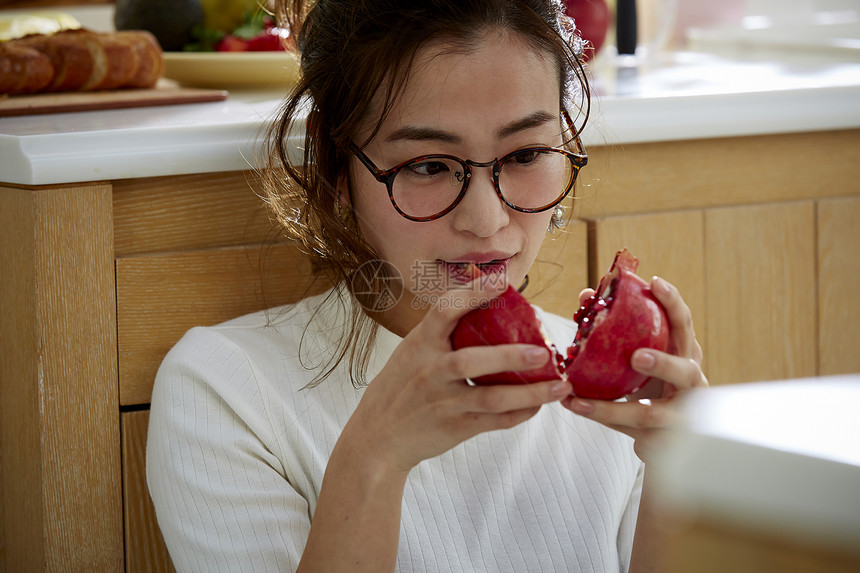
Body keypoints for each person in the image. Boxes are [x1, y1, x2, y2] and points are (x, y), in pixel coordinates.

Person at [146, 1, 708, 571]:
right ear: (338, 172)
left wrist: (679, 475)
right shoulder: (227, 389)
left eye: (527, 153)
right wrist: (374, 457)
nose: (486, 221)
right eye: (427, 166)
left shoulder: (620, 403)